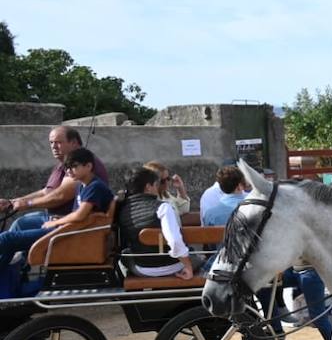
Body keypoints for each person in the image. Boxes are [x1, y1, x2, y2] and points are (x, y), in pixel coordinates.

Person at [0, 148, 114, 297]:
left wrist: (54, 224)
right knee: (9, 242)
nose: (69, 171)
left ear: (88, 166)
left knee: (6, 239)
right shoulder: (82, 185)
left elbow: (80, 215)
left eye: (74, 166)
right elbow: (80, 214)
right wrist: (60, 220)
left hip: (70, 235)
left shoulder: (95, 187)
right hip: (69, 230)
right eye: (67, 168)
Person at [1, 127, 109, 231]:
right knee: (20, 223)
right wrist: (13, 202)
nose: (54, 146)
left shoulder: (81, 165)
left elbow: (61, 196)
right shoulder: (63, 164)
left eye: (58, 142)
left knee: (9, 236)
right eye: (51, 142)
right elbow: (47, 191)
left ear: (74, 143)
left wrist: (28, 204)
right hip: (54, 218)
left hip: (67, 224)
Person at [119, 168, 194, 279]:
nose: (157, 188)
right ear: (148, 187)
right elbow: (175, 241)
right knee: (198, 257)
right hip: (173, 265)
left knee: (125, 255)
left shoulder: (123, 210)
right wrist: (188, 266)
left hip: (142, 268)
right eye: (156, 184)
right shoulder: (162, 207)